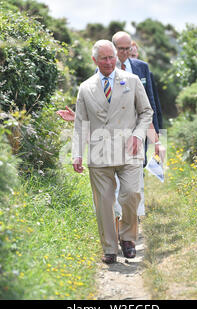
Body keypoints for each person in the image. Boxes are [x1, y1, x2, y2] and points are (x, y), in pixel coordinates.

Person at [72, 40, 153, 264]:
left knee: (131, 193)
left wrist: (138, 135)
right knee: (104, 204)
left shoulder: (133, 80)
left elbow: (146, 112)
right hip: (100, 154)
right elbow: (80, 123)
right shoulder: (85, 87)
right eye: (104, 58)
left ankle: (128, 238)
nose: (108, 62)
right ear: (94, 60)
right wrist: (76, 153)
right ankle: (109, 247)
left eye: (111, 57)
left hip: (130, 149)